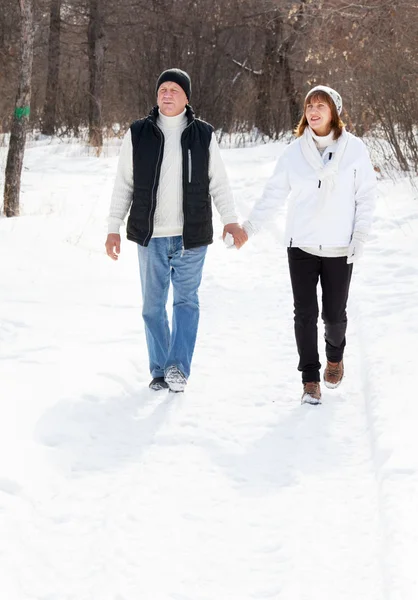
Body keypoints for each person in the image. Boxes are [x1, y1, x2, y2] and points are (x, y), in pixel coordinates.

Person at [105, 68, 247, 393]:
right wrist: (112, 227)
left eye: (174, 89)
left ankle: (178, 368)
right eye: (162, 89)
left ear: (186, 97)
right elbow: (123, 185)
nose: (166, 94)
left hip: (191, 236)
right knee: (152, 308)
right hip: (149, 236)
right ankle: (159, 369)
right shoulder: (138, 133)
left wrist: (230, 219)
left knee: (186, 302)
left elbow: (219, 184)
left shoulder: (203, 135)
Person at [243, 85, 376, 405]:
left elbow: (366, 197)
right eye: (309, 106)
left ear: (335, 112)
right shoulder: (294, 153)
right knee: (304, 314)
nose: (313, 111)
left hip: (339, 247)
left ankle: (334, 358)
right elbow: (273, 194)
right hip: (301, 245)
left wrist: (359, 236)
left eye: (321, 106)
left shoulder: (355, 150)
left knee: (334, 317)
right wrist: (249, 227)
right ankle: (310, 379)